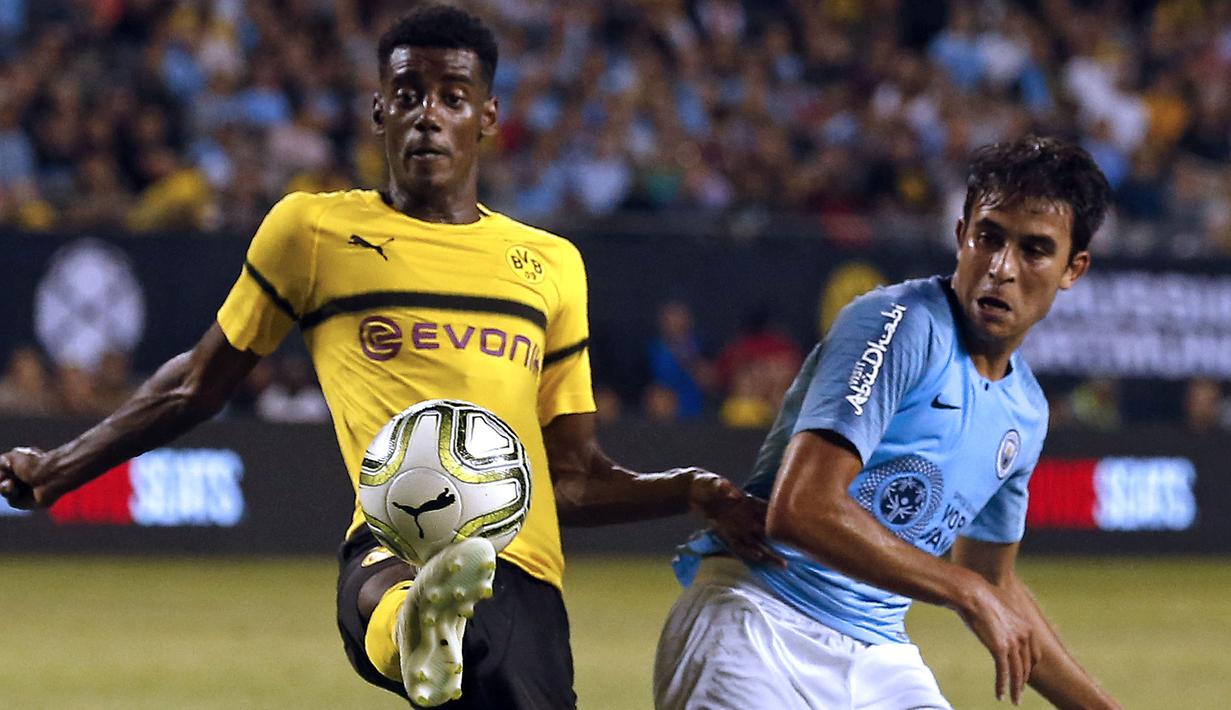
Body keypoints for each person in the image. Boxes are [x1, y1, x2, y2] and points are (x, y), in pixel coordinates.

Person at [0, 6, 777, 709]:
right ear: (379, 110)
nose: (427, 116)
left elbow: (570, 477)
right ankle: (417, 626)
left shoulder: (549, 264)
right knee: (383, 589)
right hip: (394, 540)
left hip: (522, 572)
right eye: (408, 94)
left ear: (487, 116)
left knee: (456, 624)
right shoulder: (313, 234)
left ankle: (421, 629)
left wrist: (689, 487)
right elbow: (199, 384)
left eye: (451, 96)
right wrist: (61, 465)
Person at [654, 136, 1122, 709]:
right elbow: (802, 507)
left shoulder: (1025, 411)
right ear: (960, 236)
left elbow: (995, 583)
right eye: (989, 237)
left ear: (1073, 268)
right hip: (758, 620)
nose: (1001, 267)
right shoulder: (899, 324)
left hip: (878, 652)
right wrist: (963, 590)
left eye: (1035, 250)